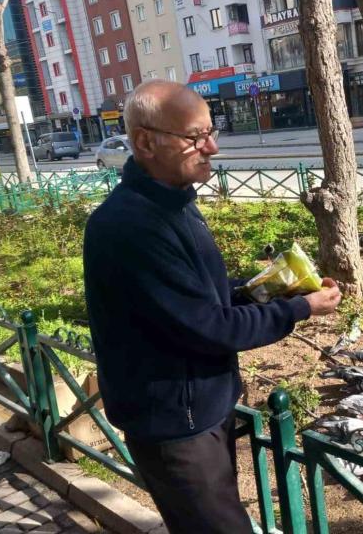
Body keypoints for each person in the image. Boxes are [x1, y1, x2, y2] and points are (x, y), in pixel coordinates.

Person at [83, 80, 341, 534]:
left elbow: (199, 296)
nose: (213, 147)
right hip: (175, 426)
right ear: (146, 142)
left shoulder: (173, 203)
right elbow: (210, 326)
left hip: (198, 409)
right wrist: (301, 309)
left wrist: (271, 289)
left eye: (211, 131)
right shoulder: (132, 226)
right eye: (195, 137)